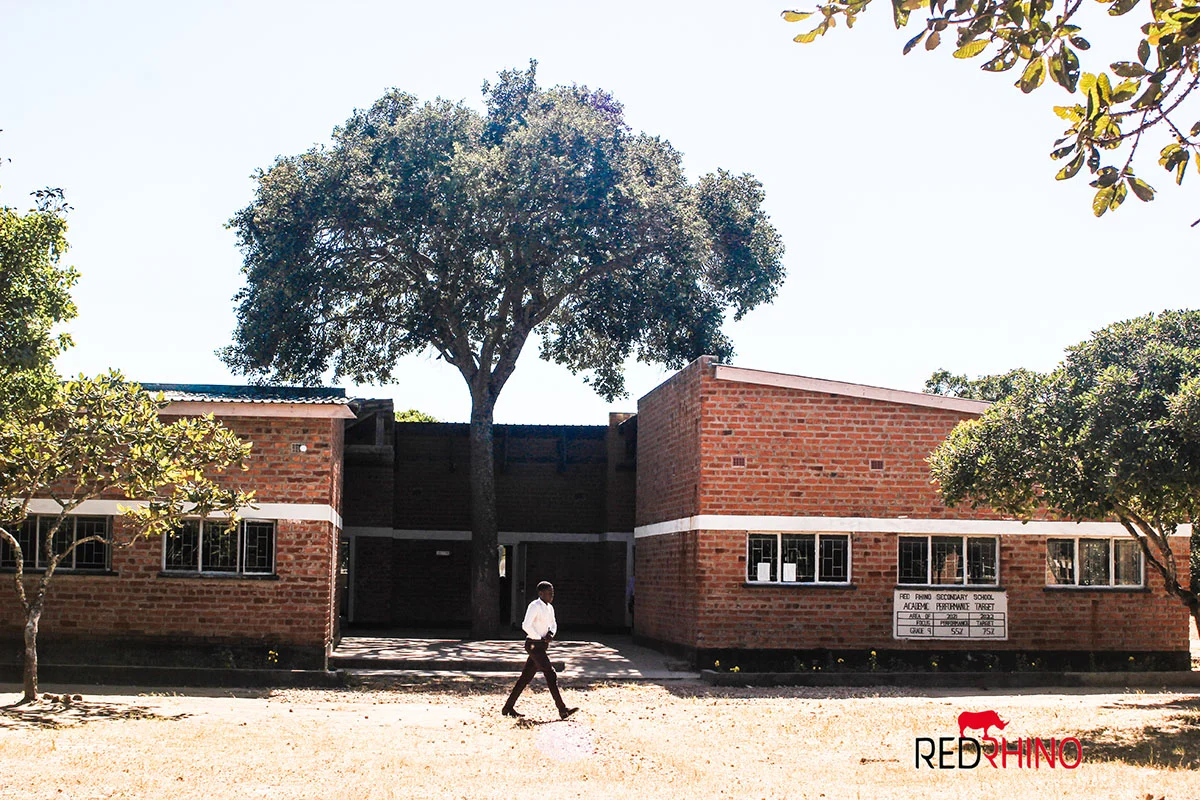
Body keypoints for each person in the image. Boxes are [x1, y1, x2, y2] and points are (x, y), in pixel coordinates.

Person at [501, 580, 578, 720]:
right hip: (534, 645)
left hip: (541, 645)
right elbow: (526, 625)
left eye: (552, 593)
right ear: (541, 593)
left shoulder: (550, 608)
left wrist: (550, 634)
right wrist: (538, 638)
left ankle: (508, 707)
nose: (551, 595)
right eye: (549, 593)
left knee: (525, 678)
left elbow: (553, 624)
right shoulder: (534, 606)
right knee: (550, 673)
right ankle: (562, 709)